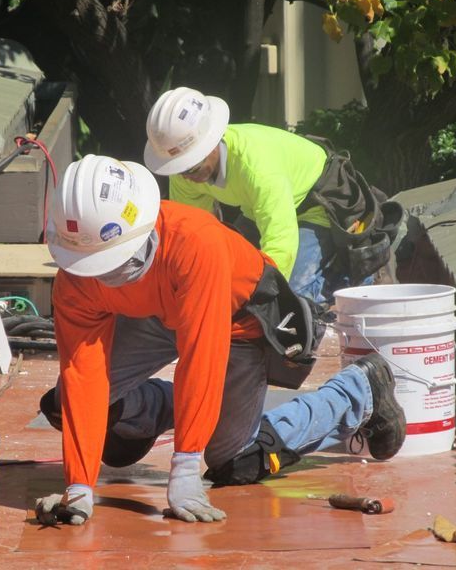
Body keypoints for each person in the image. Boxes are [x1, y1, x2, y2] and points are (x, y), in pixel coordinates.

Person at [35, 154, 406, 527]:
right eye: (99, 267)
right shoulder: (76, 277)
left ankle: (357, 391)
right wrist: (79, 486)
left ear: (144, 228)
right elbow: (82, 374)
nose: (109, 276)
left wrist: (185, 466)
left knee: (234, 461)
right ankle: (165, 407)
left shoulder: (196, 244)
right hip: (158, 315)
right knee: (64, 406)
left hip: (237, 325)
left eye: (119, 262)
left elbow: (202, 357)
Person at [143, 86, 400, 305]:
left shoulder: (256, 166)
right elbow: (191, 234)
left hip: (317, 204)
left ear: (212, 144)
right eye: (178, 169)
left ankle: (356, 277)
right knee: (233, 273)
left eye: (191, 167)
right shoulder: (184, 172)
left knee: (291, 295)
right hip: (260, 209)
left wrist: (261, 299)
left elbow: (280, 241)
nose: (185, 176)